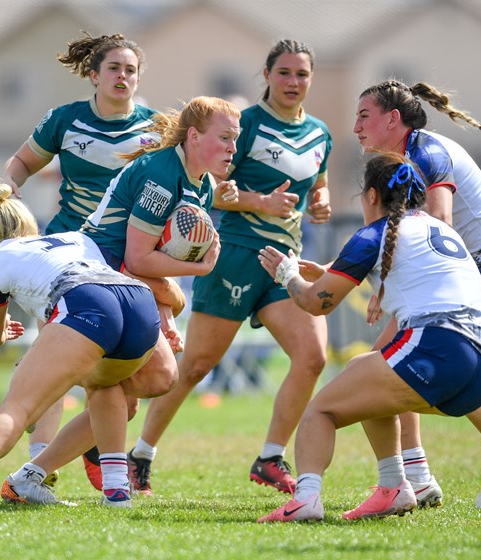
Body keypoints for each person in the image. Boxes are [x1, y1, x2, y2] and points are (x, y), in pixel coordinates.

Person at [0, 95, 241, 504]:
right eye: (226, 137)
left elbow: (152, 261)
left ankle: (33, 477)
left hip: (122, 282)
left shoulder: (199, 182)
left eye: (236, 138)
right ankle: (100, 474)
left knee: (136, 392)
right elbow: (138, 259)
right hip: (99, 278)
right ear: (195, 137)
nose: (234, 147)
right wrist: (201, 269)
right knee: (134, 382)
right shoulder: (161, 175)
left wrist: (167, 314)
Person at [124, 39, 332, 496]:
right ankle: (141, 454)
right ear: (267, 76)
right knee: (196, 366)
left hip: (285, 261)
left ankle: (270, 457)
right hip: (235, 253)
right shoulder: (246, 124)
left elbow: (317, 181)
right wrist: (261, 202)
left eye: (301, 74)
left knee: (313, 356)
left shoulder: (320, 132)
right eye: (284, 73)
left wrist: (321, 199)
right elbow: (210, 189)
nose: (293, 81)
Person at [255, 152, 481, 522]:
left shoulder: (376, 234)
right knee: (365, 371)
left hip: (439, 352)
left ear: (371, 196)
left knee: (320, 411)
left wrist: (287, 274)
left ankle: (306, 499)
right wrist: (334, 271)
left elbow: (315, 303)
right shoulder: (442, 230)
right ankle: (395, 486)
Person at [0, 183, 163, 512]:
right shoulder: (76, 238)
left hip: (86, 303)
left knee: (17, 406)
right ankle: (115, 491)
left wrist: (3, 332)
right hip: (138, 302)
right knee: (107, 385)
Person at [0, 32, 172, 474]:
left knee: (131, 377)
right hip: (69, 253)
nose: (122, 76)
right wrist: (11, 184)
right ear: (94, 75)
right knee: (58, 363)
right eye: (114, 68)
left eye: (130, 70)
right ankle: (40, 464)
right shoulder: (65, 119)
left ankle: (93, 445)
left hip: (126, 259)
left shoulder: (157, 129)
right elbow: (21, 162)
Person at [351, 80, 481, 509]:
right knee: (392, 362)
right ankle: (420, 476)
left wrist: (389, 283)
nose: (356, 126)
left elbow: (440, 221)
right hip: (475, 270)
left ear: (393, 119)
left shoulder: (426, 152)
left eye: (364, 116)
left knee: (399, 362)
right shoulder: (403, 158)